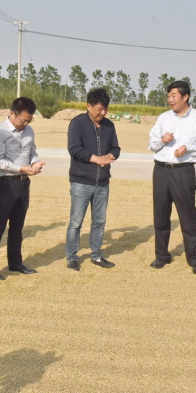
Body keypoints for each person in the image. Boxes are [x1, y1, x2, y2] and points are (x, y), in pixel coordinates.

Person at [148, 80, 196, 274]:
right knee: (160, 216)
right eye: (168, 96)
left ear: (185, 97)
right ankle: (162, 255)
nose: (170, 99)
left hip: (183, 171)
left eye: (174, 95)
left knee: (188, 216)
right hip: (161, 170)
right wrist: (162, 140)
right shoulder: (163, 118)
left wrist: (187, 148)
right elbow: (151, 145)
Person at [0, 97, 46, 280]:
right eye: (23, 120)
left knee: (17, 227)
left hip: (24, 183)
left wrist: (34, 162)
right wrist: (21, 168)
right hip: (5, 184)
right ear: (12, 113)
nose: (25, 124)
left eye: (29, 121)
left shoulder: (29, 131)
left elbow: (32, 151)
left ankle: (15, 263)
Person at [65, 88, 121, 271]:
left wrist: (111, 156)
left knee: (99, 222)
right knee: (75, 223)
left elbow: (116, 148)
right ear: (88, 106)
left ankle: (96, 255)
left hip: (103, 183)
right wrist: (96, 159)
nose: (103, 113)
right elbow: (74, 149)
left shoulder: (109, 125)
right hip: (81, 182)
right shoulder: (77, 123)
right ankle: (72, 257)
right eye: (99, 109)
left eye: (105, 109)